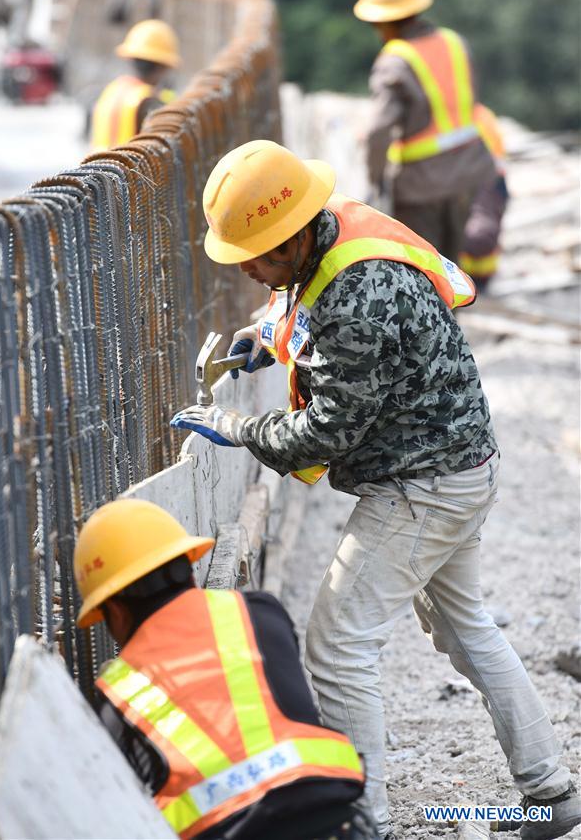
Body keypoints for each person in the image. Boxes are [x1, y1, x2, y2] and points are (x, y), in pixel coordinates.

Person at [171, 140, 581, 840]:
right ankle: (550, 792)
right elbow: (304, 304)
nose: (246, 269)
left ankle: (365, 821)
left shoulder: (357, 296)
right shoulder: (330, 231)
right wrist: (266, 336)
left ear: (294, 232)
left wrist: (236, 427)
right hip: (457, 463)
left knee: (336, 643)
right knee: (464, 628)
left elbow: (325, 432)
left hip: (424, 484)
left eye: (258, 257)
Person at [73, 497, 369, 840]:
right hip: (331, 816)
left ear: (116, 613)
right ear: (188, 564)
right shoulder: (260, 613)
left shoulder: (117, 697)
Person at [354, 0, 496, 264]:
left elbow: (378, 132)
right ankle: (452, 312)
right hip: (469, 172)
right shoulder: (455, 42)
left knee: (424, 272)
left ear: (382, 22)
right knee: (452, 268)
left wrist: (374, 182)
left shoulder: (394, 62)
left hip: (421, 187)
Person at [90, 19, 180, 150]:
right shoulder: (150, 102)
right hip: (132, 169)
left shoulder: (111, 90)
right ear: (162, 67)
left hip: (98, 167)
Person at [460, 104, 510, 291]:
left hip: (482, 179)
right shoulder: (484, 115)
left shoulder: (467, 117)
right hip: (493, 179)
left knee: (479, 231)